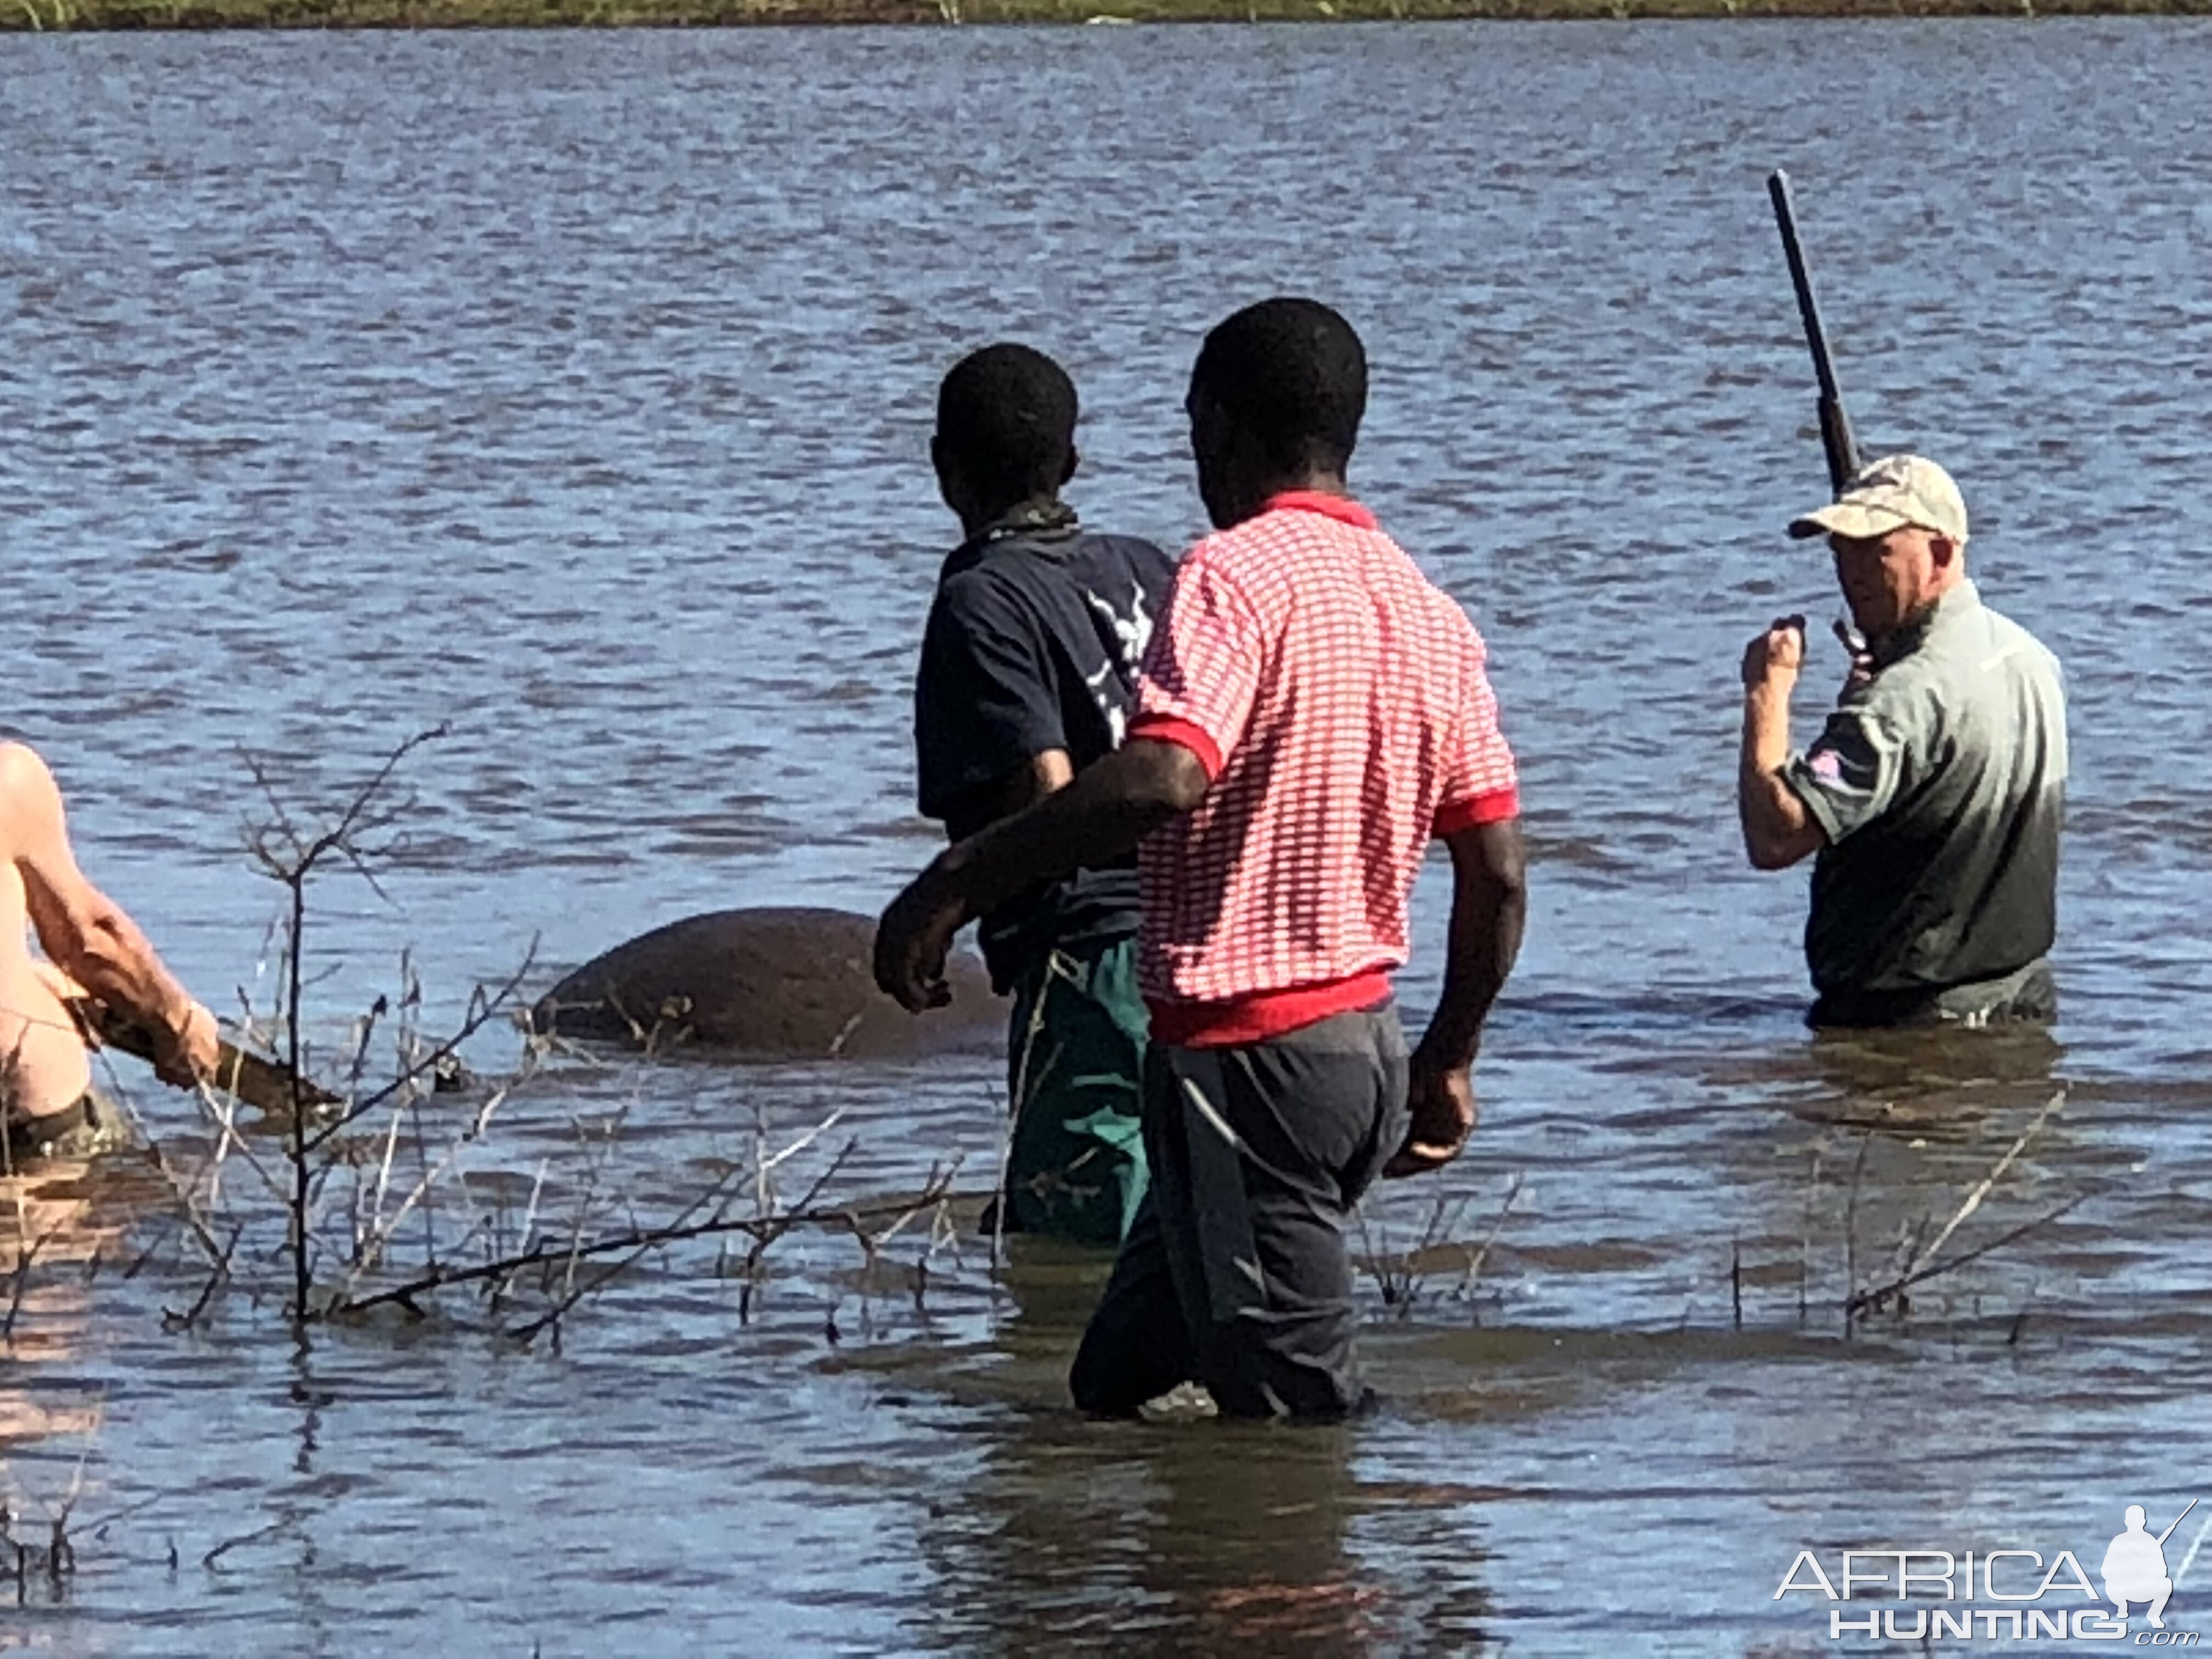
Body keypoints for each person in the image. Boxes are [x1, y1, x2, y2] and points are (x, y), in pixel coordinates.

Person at [877, 298, 1527, 1419]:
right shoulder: (1428, 610)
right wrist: (1450, 1054)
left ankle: (1402, 1589)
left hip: (1250, 1061)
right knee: (1112, 1384)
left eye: (1192, 433)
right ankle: (1169, 1589)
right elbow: (1500, 867)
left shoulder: (1229, 577)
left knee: (1291, 1420)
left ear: (1219, 429)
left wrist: (951, 885)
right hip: (1361, 1049)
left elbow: (1166, 776)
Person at [909, 343, 1178, 1245]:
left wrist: (948, 892)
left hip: (1092, 962)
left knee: (1083, 1247)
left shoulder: (983, 598)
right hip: (1206, 944)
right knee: (1186, 1225)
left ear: (944, 467)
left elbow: (1045, 791)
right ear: (1070, 464)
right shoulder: (1148, 567)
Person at [1737, 454, 2067, 1029]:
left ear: (1941, 554)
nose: (1851, 571)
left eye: (1875, 550)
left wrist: (1769, 691)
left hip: (1905, 1023)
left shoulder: (1904, 697)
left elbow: (1776, 836)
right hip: (2021, 1004)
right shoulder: (2028, 657)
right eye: (1840, 550)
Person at [1, 741, 219, 1166]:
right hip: (28, 1128)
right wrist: (176, 1019)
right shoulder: (7, 782)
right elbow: (89, 940)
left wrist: (30, 977)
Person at [2102, 1504, 2175, 1629]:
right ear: (2126, 1522)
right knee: (2110, 1583)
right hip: (2122, 1589)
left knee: (2167, 1584)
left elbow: (2163, 1571)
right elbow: (2105, 1570)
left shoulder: (2151, 1542)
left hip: (2144, 1588)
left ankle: (2154, 1615)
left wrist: (2145, 1570)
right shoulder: (2118, 1541)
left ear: (2144, 1522)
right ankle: (2122, 1607)